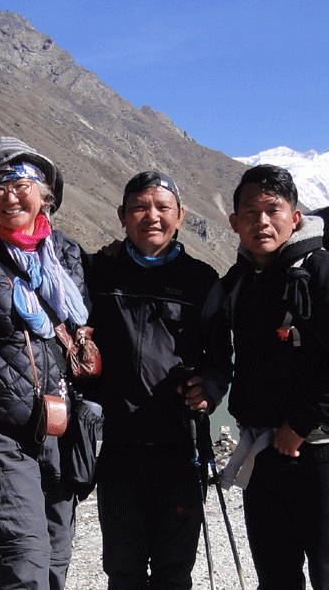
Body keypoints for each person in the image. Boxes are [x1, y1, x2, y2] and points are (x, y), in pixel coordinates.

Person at [188, 164, 329, 590]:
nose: (262, 222)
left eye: (273, 210)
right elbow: (219, 354)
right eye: (250, 213)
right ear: (234, 222)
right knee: (275, 576)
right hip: (261, 445)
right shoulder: (237, 281)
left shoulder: (324, 270)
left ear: (294, 217)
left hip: (321, 448)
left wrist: (299, 425)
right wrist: (209, 386)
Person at [0, 137, 91, 590]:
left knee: (57, 560)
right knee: (23, 565)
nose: (11, 193)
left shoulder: (70, 257)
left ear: (45, 193)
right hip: (3, 437)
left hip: (64, 432)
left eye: (22, 181)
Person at [87, 171, 219, 590]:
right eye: (140, 207)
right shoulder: (98, 274)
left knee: (174, 570)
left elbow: (220, 356)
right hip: (119, 446)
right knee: (123, 570)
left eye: (162, 207)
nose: (152, 216)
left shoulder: (202, 280)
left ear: (180, 216)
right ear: (122, 216)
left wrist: (212, 388)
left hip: (180, 445)